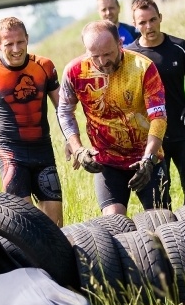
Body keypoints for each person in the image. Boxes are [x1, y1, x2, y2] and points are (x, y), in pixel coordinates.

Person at [57, 20, 169, 215]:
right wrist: (78, 150)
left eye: (108, 54)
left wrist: (149, 159)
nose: (102, 62)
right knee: (113, 220)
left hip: (147, 158)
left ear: (120, 44)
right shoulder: (74, 71)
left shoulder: (143, 67)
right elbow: (65, 111)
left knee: (160, 219)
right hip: (107, 161)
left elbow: (158, 117)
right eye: (95, 56)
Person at [0, 17, 64, 226]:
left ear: (27, 39)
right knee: (25, 223)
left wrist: (73, 141)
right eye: (9, 44)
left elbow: (62, 107)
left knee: (57, 225)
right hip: (11, 154)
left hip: (43, 151)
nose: (16, 49)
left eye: (21, 42)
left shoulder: (44, 66)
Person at [126, 0, 185, 206]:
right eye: (143, 23)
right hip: (153, 139)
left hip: (183, 132)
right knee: (160, 199)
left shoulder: (179, 47)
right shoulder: (129, 56)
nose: (149, 26)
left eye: (153, 20)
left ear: (160, 18)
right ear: (135, 24)